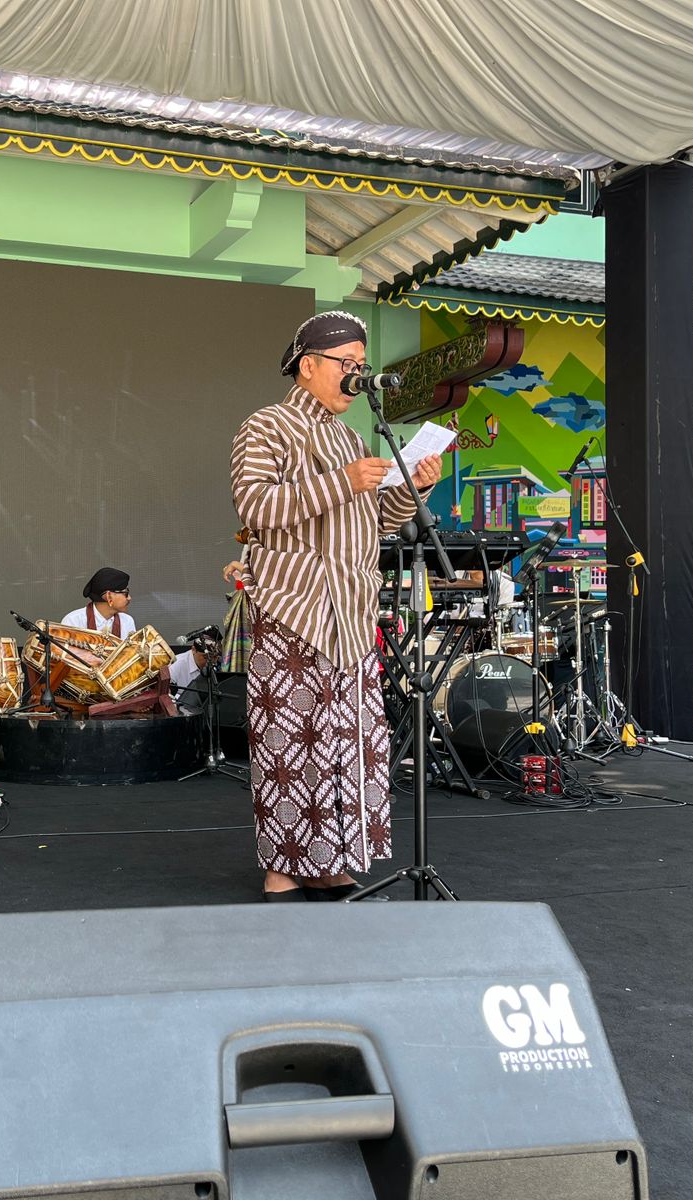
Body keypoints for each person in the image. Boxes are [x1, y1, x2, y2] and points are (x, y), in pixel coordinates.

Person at [231, 310, 442, 901]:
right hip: (294, 609)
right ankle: (283, 869)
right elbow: (255, 507)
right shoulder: (267, 426)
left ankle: (332, 863)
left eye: (362, 365)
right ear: (308, 365)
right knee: (290, 743)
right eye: (347, 363)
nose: (356, 374)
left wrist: (416, 486)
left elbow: (375, 522)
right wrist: (342, 482)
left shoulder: (351, 439)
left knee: (348, 745)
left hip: (350, 614)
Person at [60, 567, 138, 638]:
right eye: (125, 593)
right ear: (109, 596)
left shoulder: (127, 621)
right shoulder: (73, 621)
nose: (129, 598)